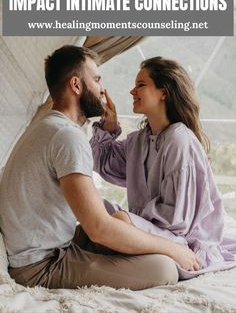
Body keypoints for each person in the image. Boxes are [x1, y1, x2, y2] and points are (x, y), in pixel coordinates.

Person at [0, 46, 199, 291]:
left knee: (131, 236)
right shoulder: (67, 136)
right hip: (40, 265)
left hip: (48, 246)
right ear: (76, 85)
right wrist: (174, 249)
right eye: (96, 79)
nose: (102, 89)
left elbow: (98, 224)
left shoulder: (49, 126)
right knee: (164, 268)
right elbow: (100, 229)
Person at [90, 56, 236, 280]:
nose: (132, 91)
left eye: (141, 85)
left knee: (117, 222)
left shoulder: (179, 140)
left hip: (182, 242)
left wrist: (129, 222)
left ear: (163, 92)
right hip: (153, 232)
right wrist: (109, 125)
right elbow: (105, 165)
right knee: (97, 210)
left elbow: (176, 219)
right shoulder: (139, 139)